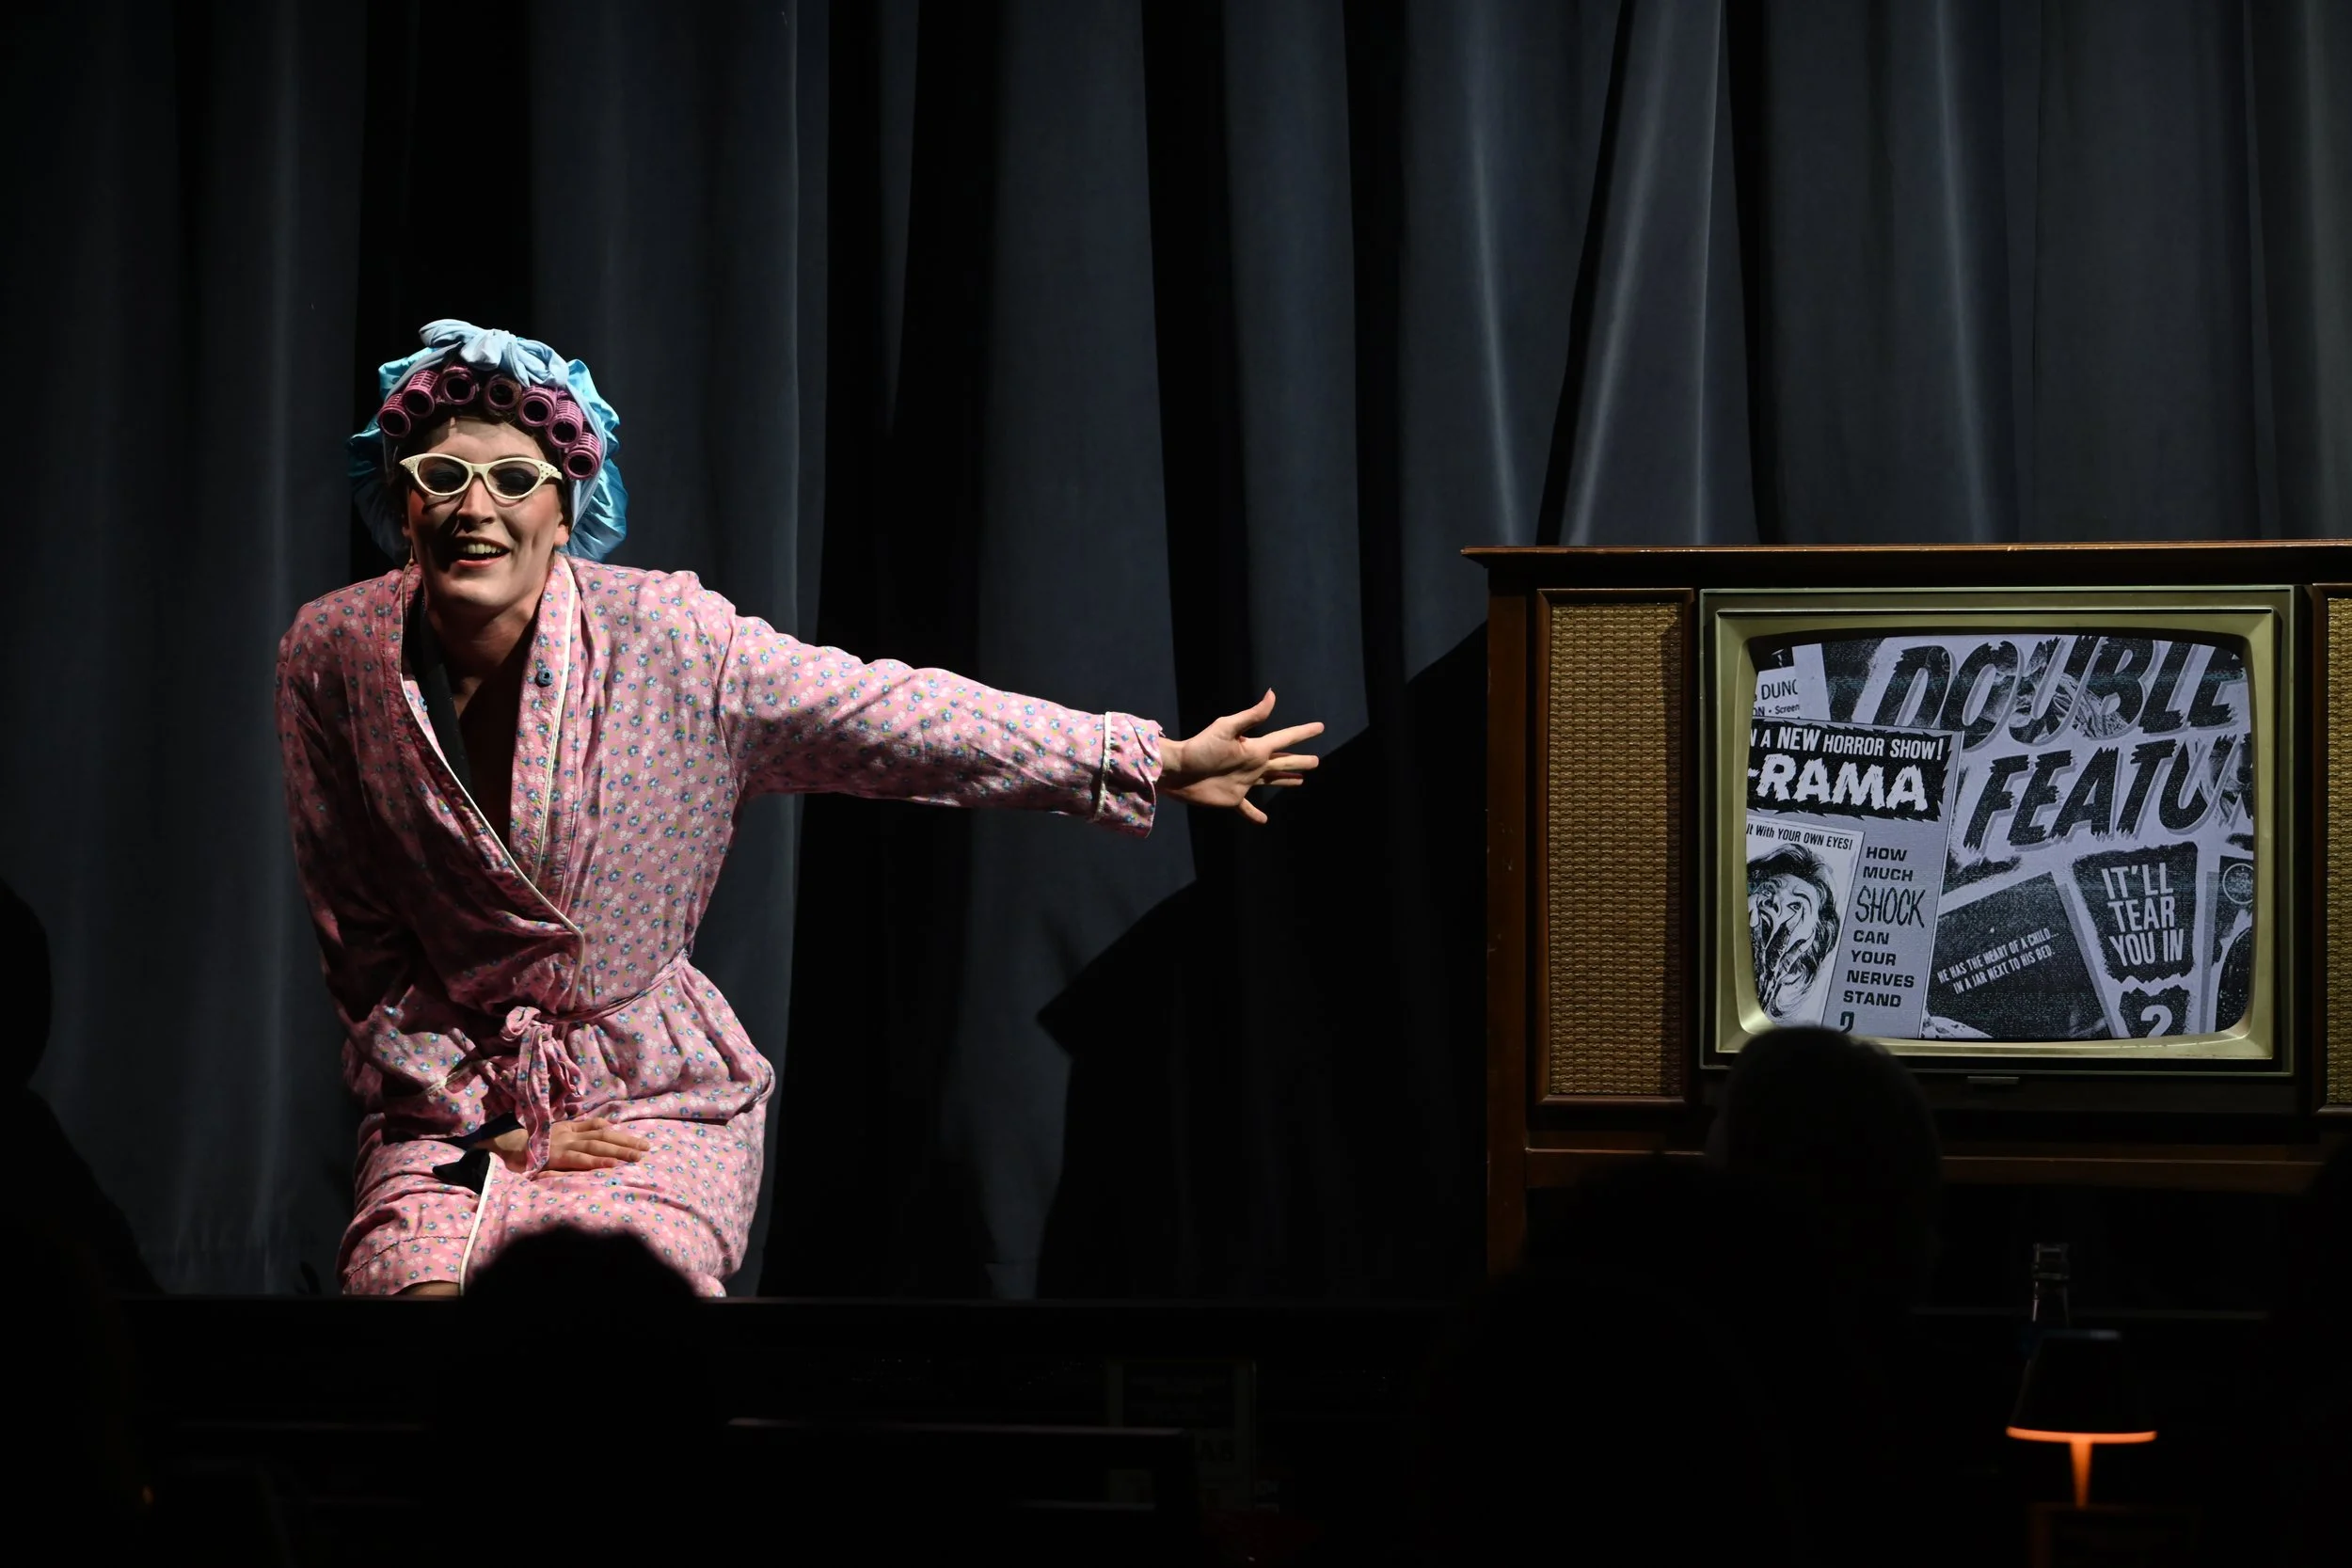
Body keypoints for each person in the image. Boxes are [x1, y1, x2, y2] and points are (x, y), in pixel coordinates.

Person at [278, 320, 1322, 1297]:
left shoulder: (672, 642)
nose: (474, 508)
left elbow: (893, 715)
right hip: (453, 1099)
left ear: (566, 508)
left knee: (615, 1324)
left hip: (649, 1092)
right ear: (401, 502)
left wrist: (1143, 758)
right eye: (442, 476)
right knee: (421, 1307)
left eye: (513, 479)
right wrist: (479, 1118)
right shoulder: (335, 653)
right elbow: (358, 933)